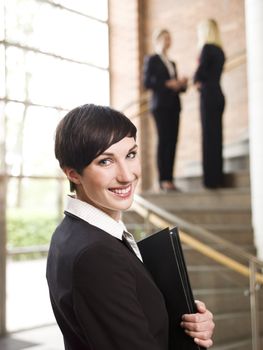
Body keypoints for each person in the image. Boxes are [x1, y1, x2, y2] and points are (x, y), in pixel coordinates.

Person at [46, 103, 214, 350]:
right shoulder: (96, 254)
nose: (126, 175)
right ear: (73, 174)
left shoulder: (72, 234)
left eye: (131, 154)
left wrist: (187, 327)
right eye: (105, 161)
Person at [143, 29, 188, 192]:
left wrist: (181, 84)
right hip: (160, 106)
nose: (168, 42)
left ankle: (170, 178)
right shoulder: (152, 59)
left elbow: (178, 88)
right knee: (163, 141)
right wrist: (166, 83)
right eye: (166, 39)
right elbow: (147, 82)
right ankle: (162, 180)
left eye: (170, 39)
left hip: (174, 106)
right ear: (158, 40)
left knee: (173, 141)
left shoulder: (172, 63)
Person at [193, 19, 225, 189]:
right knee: (217, 137)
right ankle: (218, 178)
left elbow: (198, 76)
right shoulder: (220, 50)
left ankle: (210, 181)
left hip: (208, 96)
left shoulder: (206, 49)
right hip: (219, 94)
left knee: (208, 137)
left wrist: (196, 81)